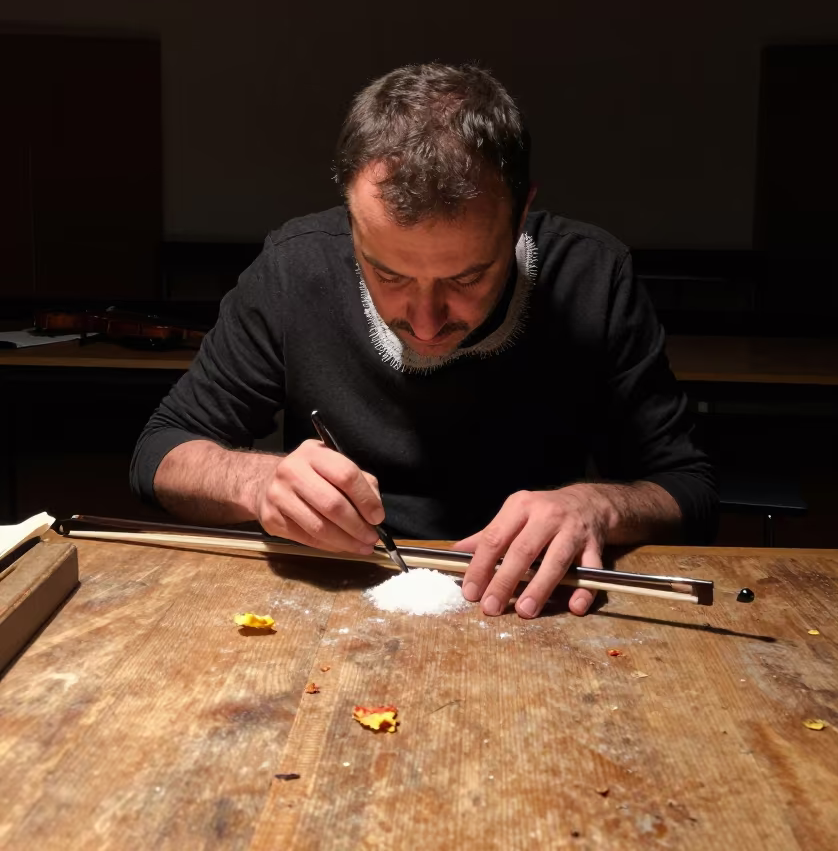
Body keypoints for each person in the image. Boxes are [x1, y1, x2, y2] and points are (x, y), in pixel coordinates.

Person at [132, 63, 716, 619]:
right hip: (334, 593)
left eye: (467, 278)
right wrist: (258, 484)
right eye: (388, 275)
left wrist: (598, 507)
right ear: (352, 219)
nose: (427, 324)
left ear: (521, 215)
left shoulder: (592, 276)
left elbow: (690, 489)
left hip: (532, 601)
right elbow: (159, 453)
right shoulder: (294, 269)